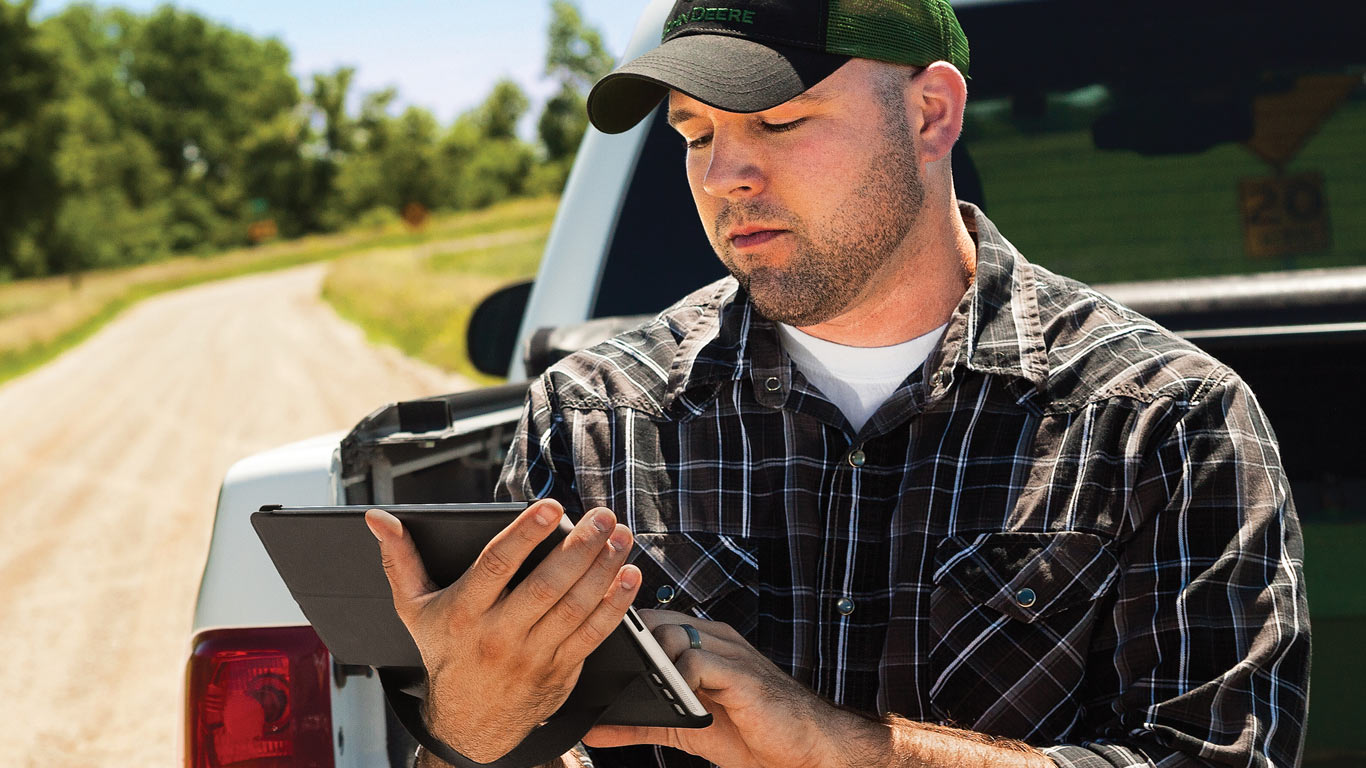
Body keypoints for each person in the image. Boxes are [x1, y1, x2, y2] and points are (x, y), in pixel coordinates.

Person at [365, 2, 1310, 767]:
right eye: (694, 136)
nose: (726, 175)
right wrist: (468, 728)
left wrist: (847, 751)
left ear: (932, 112)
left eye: (779, 121)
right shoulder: (594, 421)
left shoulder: (1167, 420)